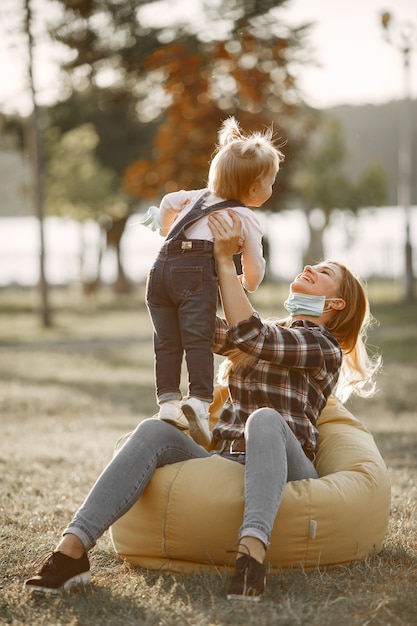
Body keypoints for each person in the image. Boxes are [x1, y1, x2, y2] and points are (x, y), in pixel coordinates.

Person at [24, 212, 381, 600]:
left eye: (325, 271)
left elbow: (251, 335)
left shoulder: (323, 347)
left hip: (289, 464)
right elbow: (196, 325)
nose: (310, 266)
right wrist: (184, 252)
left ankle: (251, 557)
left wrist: (229, 262)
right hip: (226, 459)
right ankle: (71, 552)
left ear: (335, 302)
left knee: (263, 419)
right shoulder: (271, 331)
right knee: (154, 430)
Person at [143, 116, 284, 445]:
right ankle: (199, 402)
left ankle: (167, 402)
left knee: (166, 342)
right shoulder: (245, 217)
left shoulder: (197, 197)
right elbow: (256, 269)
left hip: (159, 271)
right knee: (198, 339)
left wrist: (167, 231)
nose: (272, 188)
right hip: (194, 275)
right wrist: (246, 282)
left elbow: (166, 203)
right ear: (253, 189)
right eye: (271, 182)